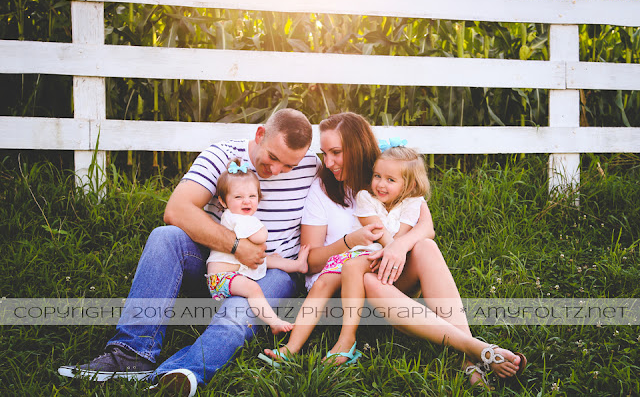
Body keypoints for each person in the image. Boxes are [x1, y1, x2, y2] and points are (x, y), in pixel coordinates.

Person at [58, 108, 321, 396]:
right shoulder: (223, 154)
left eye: (288, 166)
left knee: (240, 308)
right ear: (260, 135)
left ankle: (183, 373)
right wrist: (236, 246)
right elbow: (176, 209)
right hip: (216, 264)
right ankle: (132, 352)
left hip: (274, 270)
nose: (276, 171)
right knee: (165, 237)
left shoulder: (311, 165)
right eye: (272, 158)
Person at [262, 112, 526, 387]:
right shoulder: (323, 189)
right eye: (324, 153)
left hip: (388, 276)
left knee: (425, 247)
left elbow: (427, 227)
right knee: (364, 275)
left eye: (336, 152)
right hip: (343, 292)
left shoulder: (389, 172)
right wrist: (351, 241)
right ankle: (477, 350)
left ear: (358, 147)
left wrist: (397, 246)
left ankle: (468, 358)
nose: (328, 163)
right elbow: (313, 261)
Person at [206, 157, 309, 334]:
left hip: (233, 274)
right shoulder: (235, 217)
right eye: (238, 197)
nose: (246, 201)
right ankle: (273, 321)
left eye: (252, 196)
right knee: (254, 289)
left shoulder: (237, 218)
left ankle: (298, 265)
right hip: (222, 278)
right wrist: (261, 229)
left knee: (268, 260)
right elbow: (261, 237)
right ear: (223, 201)